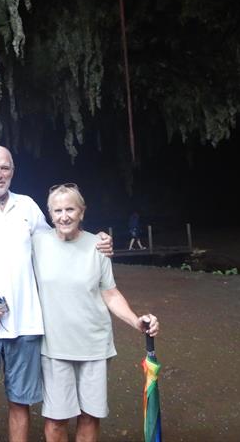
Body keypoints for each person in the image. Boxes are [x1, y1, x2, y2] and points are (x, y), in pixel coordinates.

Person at [0, 145, 113, 442]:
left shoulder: (28, 207)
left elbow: (60, 237)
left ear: (12, 171)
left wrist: (98, 240)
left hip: (26, 324)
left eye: (4, 167)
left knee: (21, 401)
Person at [32, 184, 159, 442]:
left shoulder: (97, 246)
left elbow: (110, 293)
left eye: (70, 209)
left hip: (94, 345)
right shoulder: (36, 244)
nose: (64, 216)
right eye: (58, 210)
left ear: (82, 212)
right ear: (49, 213)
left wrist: (137, 321)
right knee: (56, 421)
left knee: (90, 417)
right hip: (54, 347)